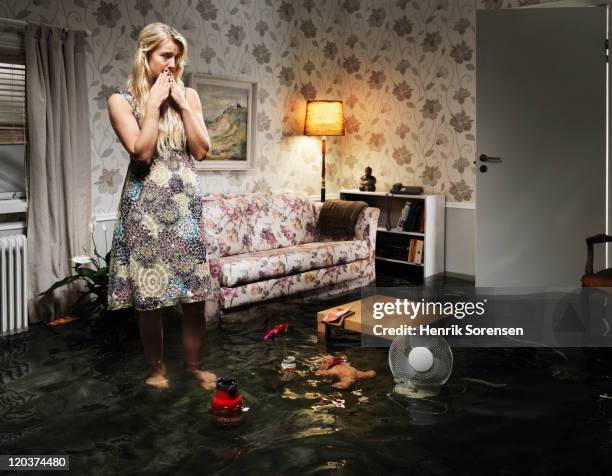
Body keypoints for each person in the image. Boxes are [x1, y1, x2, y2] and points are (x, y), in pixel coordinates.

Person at [106, 23, 217, 391]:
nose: (172, 63)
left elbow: (201, 150)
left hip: (185, 212)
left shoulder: (191, 97)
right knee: (150, 299)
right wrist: (153, 104)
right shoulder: (121, 101)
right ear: (146, 55)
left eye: (176, 56)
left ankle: (194, 367)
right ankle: (156, 370)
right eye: (165, 55)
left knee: (195, 298)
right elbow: (142, 151)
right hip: (145, 212)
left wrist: (183, 104)